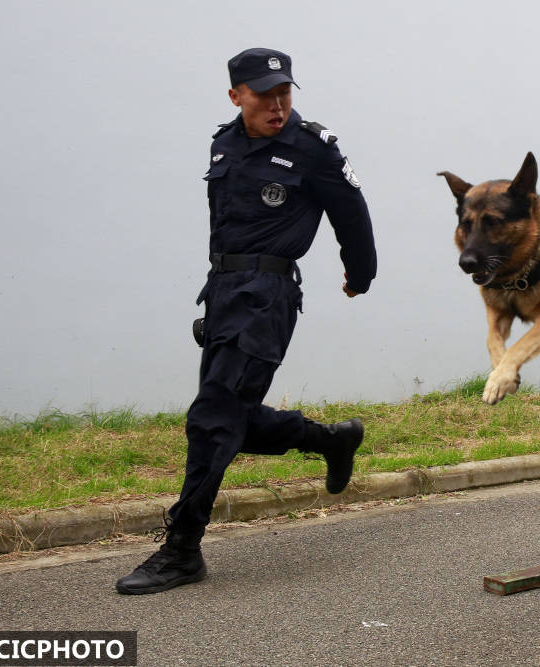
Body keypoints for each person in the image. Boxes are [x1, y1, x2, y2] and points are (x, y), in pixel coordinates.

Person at [116, 48, 377, 594]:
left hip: (267, 296)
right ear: (237, 96)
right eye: (264, 95)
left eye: (284, 93)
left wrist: (360, 273)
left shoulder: (312, 148)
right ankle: (330, 441)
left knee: (212, 419)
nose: (277, 105)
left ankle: (182, 549)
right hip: (225, 292)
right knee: (229, 416)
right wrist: (217, 297)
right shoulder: (225, 142)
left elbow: (351, 212)